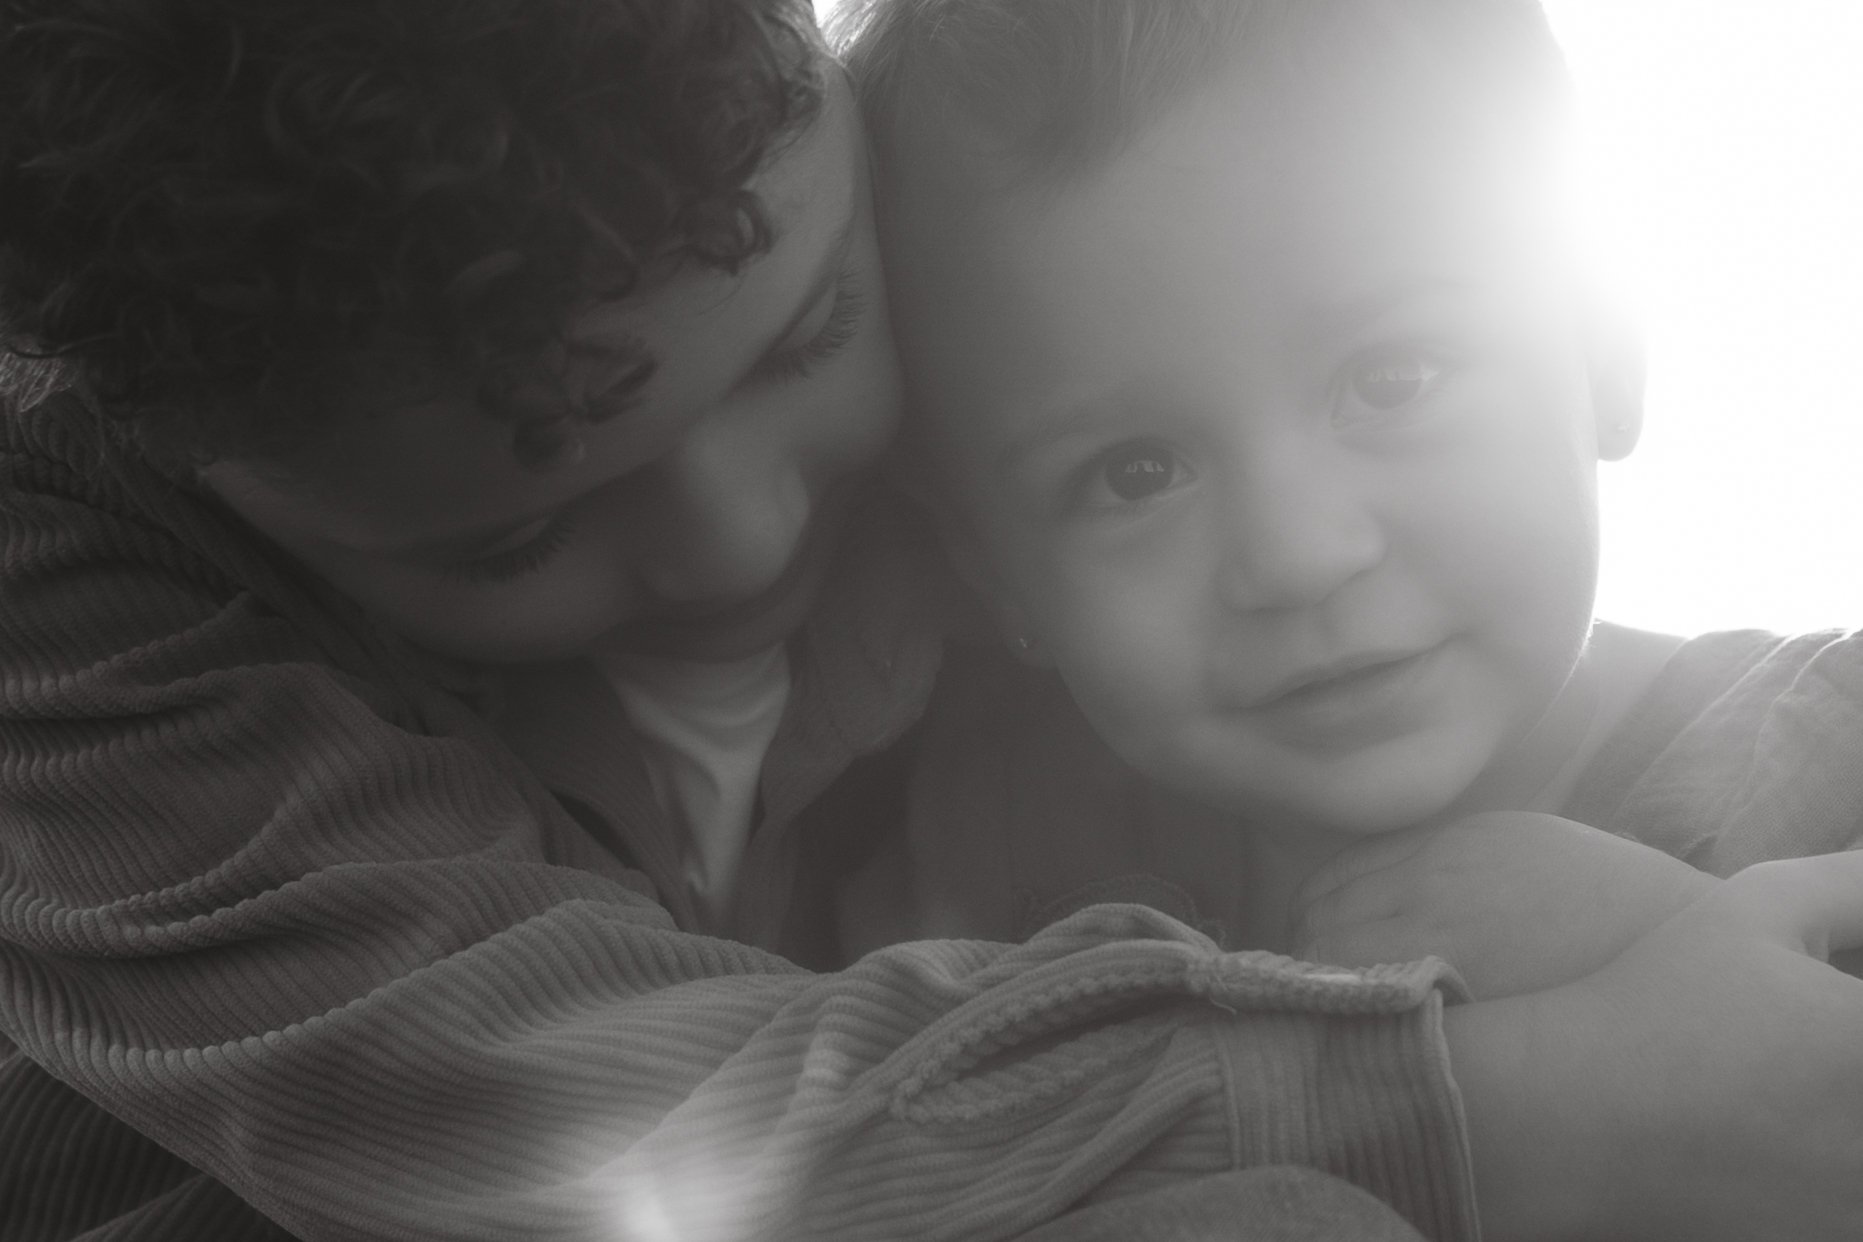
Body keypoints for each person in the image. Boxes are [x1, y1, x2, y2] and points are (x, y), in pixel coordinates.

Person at [0, 3, 1856, 1241]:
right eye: (519, 530)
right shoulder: (77, 619)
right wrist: (1481, 1099)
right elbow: (517, 1099)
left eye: (809, 334)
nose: (744, 547)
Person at [838, 0, 1863, 1233]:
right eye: (1137, 472)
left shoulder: (1828, 759)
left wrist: (1656, 927)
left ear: (1600, 344)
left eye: (1392, 378)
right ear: (993, 574)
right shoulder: (977, 878)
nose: (1298, 555)